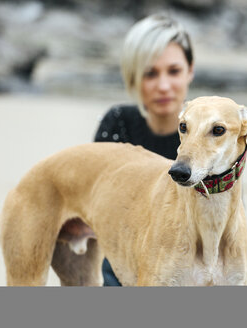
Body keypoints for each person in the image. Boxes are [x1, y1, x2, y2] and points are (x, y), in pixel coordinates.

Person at [94, 14, 195, 286]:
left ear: (190, 70)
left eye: (173, 71)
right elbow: (99, 206)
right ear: (133, 77)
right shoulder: (118, 123)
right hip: (121, 268)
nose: (163, 85)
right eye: (150, 73)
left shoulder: (211, 133)